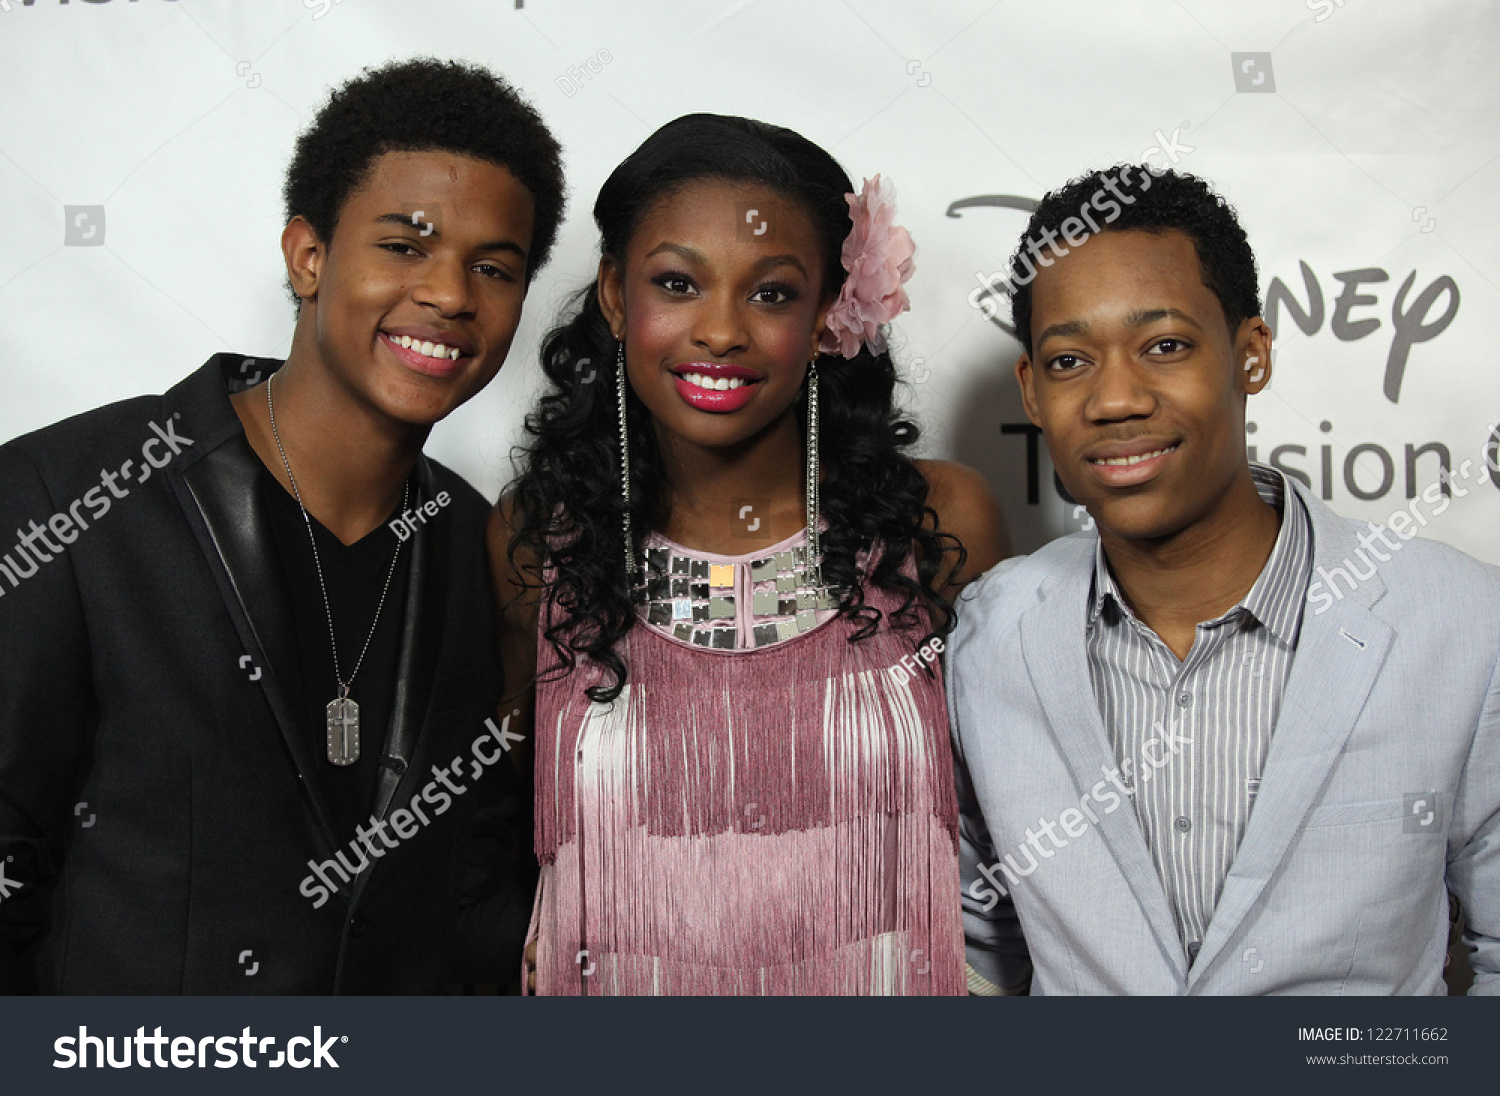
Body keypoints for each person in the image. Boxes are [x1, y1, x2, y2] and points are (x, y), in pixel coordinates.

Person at [0, 58, 564, 993]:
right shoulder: (70, 497)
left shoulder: (485, 551)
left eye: (492, 268)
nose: (451, 295)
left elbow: (473, 892)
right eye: (404, 246)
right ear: (308, 255)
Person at [490, 113, 1007, 995]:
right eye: (678, 283)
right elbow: (497, 819)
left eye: (770, 293)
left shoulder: (938, 521)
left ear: (828, 313)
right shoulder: (540, 537)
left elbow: (1014, 838)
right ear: (617, 298)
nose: (721, 331)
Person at [951, 166, 1500, 995]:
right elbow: (975, 955)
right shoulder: (990, 636)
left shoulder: (1461, 624)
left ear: (1251, 355)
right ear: (1031, 390)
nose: (1117, 399)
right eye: (1070, 360)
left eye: (1164, 346)